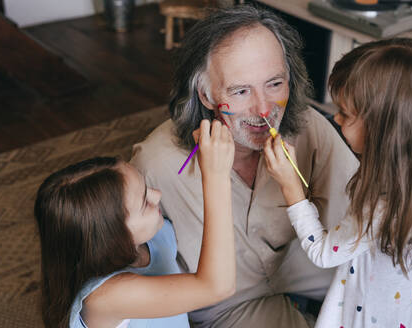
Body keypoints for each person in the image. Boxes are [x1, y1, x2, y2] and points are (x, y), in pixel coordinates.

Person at [130, 5, 358, 327]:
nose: (264, 109)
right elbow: (120, 269)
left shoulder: (308, 126)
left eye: (275, 84)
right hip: (228, 306)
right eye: (240, 91)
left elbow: (369, 218)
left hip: (308, 266)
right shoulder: (156, 164)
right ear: (206, 96)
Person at [264, 37, 412, 327]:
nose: (335, 119)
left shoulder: (382, 207)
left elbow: (323, 253)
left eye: (345, 114)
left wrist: (291, 187)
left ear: (383, 132)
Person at [34, 119, 235, 328]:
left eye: (147, 187)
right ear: (112, 236)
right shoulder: (107, 297)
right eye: (144, 203)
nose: (157, 196)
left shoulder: (156, 236)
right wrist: (216, 176)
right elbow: (217, 288)